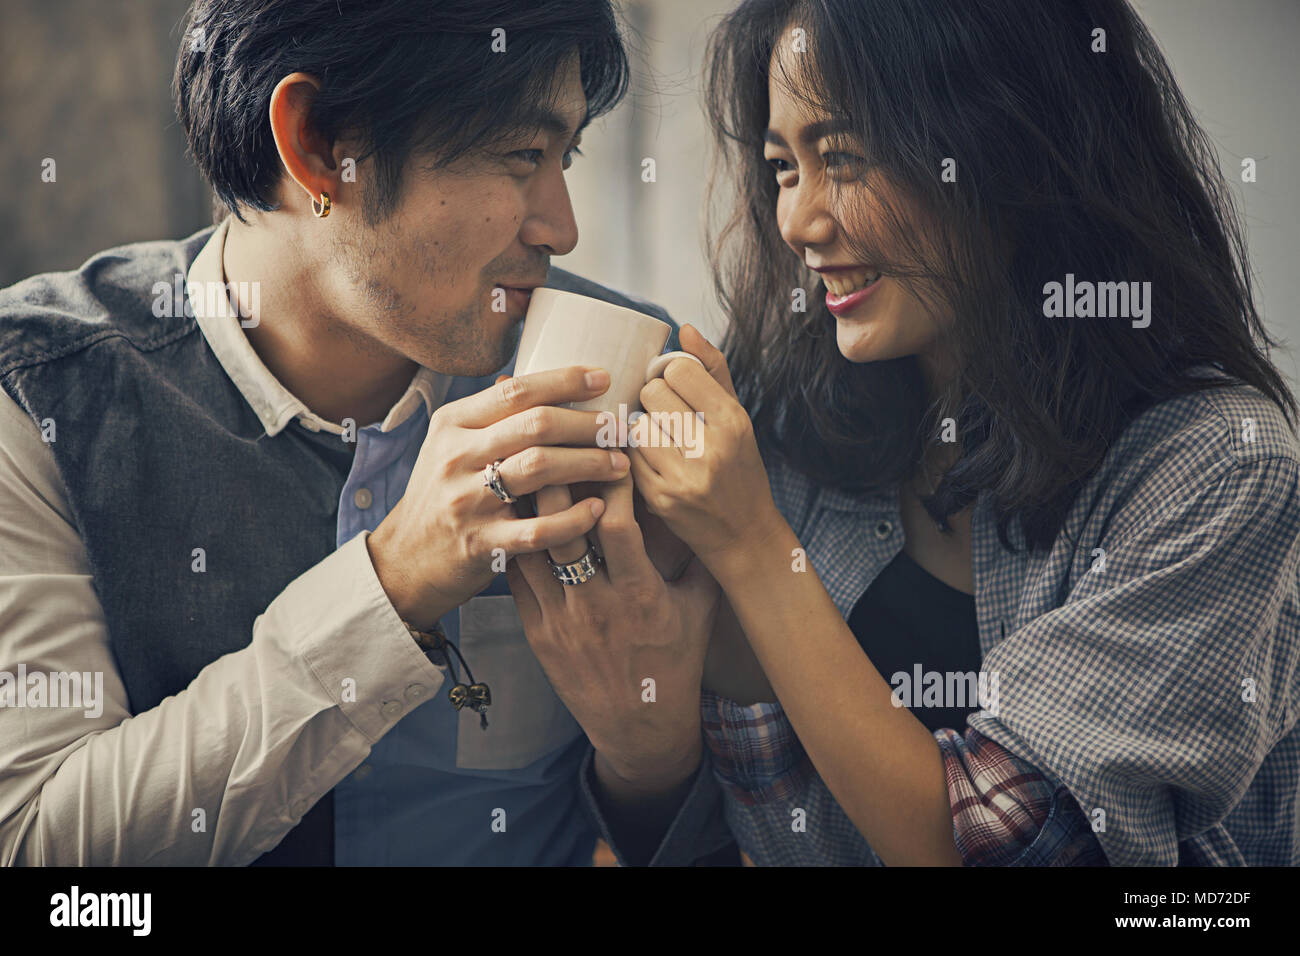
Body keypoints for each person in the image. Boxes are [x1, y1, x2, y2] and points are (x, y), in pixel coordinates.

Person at [0, 0, 735, 866]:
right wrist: (392, 584)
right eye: (521, 156)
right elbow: (38, 844)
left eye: (564, 158)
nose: (561, 228)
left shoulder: (631, 376)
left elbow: (746, 828)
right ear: (316, 145)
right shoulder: (45, 393)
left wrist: (652, 755)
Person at [623, 0, 1300, 865]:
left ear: (1002, 145)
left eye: (844, 157)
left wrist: (753, 549)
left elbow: (979, 850)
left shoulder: (1215, 469)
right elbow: (703, 825)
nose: (796, 221)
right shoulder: (785, 422)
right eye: (783, 167)